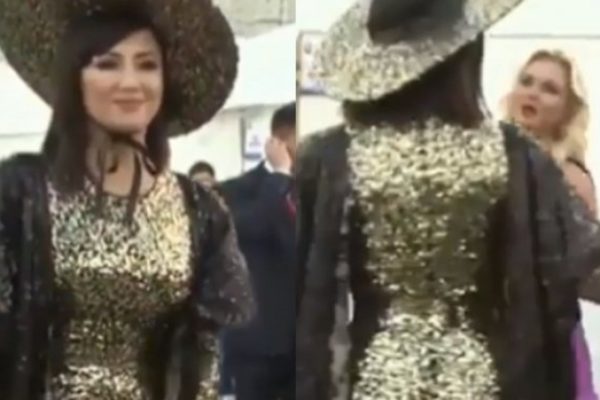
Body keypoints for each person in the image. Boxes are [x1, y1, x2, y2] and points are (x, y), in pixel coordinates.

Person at [295, 1, 600, 399]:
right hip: (477, 378)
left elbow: (307, 297)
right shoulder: (513, 156)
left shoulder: (329, 157)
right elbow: (574, 268)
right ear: (466, 53)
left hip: (378, 377)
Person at [0, 1, 254, 399]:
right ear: (75, 78)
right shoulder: (19, 194)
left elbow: (202, 359)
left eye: (147, 65)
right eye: (108, 64)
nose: (131, 82)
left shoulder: (200, 212)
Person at [505, 49, 598, 399]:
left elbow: (587, 269)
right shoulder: (486, 163)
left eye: (549, 89)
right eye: (526, 82)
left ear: (567, 111)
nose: (532, 93)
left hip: (547, 345)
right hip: (491, 335)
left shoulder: (571, 177)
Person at [219, 102, 296, 400]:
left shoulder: (316, 188)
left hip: (308, 345)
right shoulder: (235, 191)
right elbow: (255, 226)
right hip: (258, 347)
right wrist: (279, 177)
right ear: (280, 141)